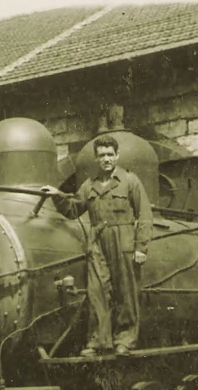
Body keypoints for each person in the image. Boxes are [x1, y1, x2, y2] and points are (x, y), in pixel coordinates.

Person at [42, 134, 153, 356]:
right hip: (97, 241)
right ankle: (98, 341)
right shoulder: (88, 186)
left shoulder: (130, 181)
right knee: (97, 291)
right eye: (102, 155)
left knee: (125, 291)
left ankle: (125, 339)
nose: (106, 159)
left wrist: (141, 247)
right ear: (96, 159)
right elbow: (73, 210)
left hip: (123, 239)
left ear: (117, 156)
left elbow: (145, 214)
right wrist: (57, 195)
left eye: (110, 154)